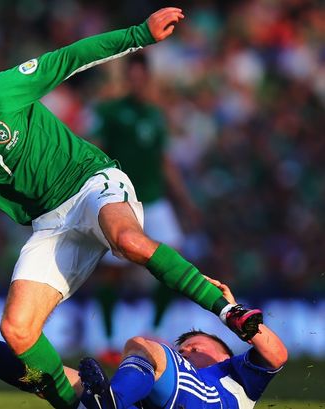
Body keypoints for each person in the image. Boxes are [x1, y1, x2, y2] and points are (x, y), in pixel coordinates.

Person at [0, 8, 262, 408]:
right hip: (52, 225)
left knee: (128, 241)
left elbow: (69, 58)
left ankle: (228, 310)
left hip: (91, 183)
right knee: (17, 330)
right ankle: (89, 405)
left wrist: (140, 34)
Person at [89, 52, 202, 366]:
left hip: (154, 200)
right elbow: (95, 151)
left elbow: (164, 162)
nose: (138, 83)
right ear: (128, 78)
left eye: (142, 77)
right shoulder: (111, 112)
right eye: (133, 77)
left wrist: (186, 202)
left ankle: (155, 330)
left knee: (176, 263)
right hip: (122, 202)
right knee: (112, 273)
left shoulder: (155, 115)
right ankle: (108, 341)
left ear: (147, 79)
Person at [79, 276, 288, 409]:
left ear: (224, 356)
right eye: (181, 352)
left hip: (206, 402)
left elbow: (277, 354)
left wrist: (231, 311)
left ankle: (110, 402)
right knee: (73, 381)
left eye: (194, 348)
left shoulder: (237, 373)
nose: (185, 352)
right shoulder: (162, 381)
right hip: (171, 399)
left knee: (142, 346)